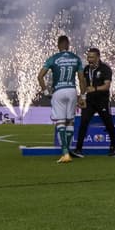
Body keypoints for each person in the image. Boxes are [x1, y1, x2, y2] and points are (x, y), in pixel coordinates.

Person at [38, 35, 83, 164]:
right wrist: (83, 96)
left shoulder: (53, 58)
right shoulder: (76, 58)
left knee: (60, 121)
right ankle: (67, 150)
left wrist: (46, 92)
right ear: (68, 45)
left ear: (58, 45)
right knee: (70, 122)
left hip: (58, 91)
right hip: (72, 90)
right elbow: (81, 79)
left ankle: (65, 153)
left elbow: (40, 76)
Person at [75, 47, 115, 156]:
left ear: (98, 57)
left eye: (92, 57)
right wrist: (82, 97)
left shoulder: (105, 69)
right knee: (83, 122)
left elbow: (107, 86)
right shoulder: (86, 69)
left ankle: (113, 147)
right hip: (89, 101)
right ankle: (78, 149)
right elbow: (84, 85)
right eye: (88, 57)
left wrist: (95, 88)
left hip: (102, 101)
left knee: (108, 123)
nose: (90, 59)